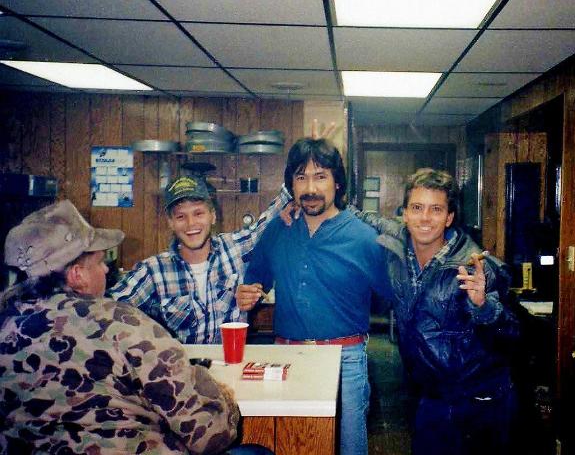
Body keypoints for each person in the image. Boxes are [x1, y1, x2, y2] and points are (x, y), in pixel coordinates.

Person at [0, 200, 270, 454]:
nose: (106, 270)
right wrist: (214, 390)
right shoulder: (125, 324)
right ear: (77, 275)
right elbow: (208, 435)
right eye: (100, 262)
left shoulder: (5, 325)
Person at [236, 138, 390, 455]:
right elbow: (254, 281)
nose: (310, 188)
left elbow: (395, 296)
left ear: (337, 182)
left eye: (320, 177)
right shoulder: (278, 230)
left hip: (345, 360)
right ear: (291, 184)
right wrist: (247, 293)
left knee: (349, 447)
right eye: (301, 177)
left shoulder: (365, 238)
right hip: (286, 358)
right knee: (290, 444)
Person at [350, 168, 520, 454]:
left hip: (482, 401)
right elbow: (369, 219)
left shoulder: (474, 267)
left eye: (436, 209)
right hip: (432, 398)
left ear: (449, 218)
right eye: (417, 208)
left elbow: (513, 335)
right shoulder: (398, 245)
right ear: (404, 214)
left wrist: (483, 307)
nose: (425, 218)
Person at [109, 175, 291, 344]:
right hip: (180, 366)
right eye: (181, 216)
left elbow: (275, 211)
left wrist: (296, 195)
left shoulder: (235, 248)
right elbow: (105, 310)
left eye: (198, 213)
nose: (191, 224)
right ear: (170, 222)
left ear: (213, 216)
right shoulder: (153, 271)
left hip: (230, 362)